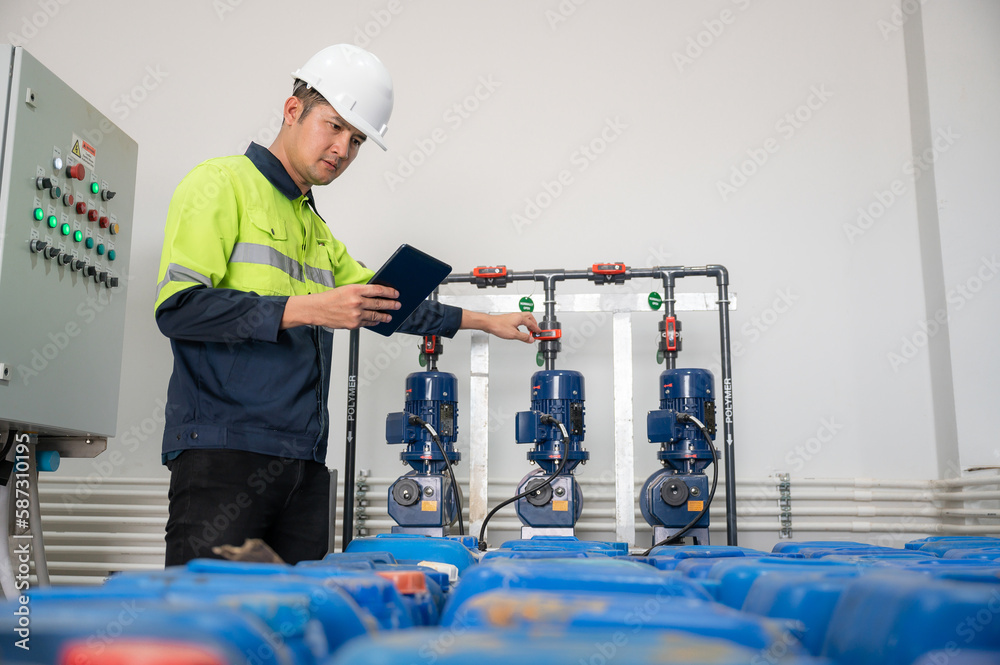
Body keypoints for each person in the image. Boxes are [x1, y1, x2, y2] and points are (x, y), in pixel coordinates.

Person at [154, 44, 539, 565]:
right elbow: (181, 309)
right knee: (209, 634)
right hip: (225, 454)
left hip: (303, 464)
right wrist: (311, 309)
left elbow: (381, 301)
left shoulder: (313, 226)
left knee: (301, 632)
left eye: (355, 140)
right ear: (293, 112)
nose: (342, 148)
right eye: (333, 127)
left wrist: (485, 321)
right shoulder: (219, 184)